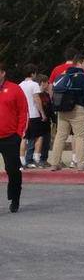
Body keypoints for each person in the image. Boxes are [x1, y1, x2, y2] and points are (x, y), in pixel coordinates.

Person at [50, 54, 84, 171]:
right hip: (78, 110)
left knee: (60, 136)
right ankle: (81, 164)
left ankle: (55, 163)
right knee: (80, 137)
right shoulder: (83, 76)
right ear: (79, 63)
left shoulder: (63, 75)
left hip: (62, 110)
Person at [0, 62, 27, 212]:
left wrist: (19, 134)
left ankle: (15, 198)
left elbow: (23, 112)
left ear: (3, 73)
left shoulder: (15, 89)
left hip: (10, 137)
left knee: (13, 170)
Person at [19, 64, 44, 169]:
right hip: (34, 114)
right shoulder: (34, 85)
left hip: (24, 115)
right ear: (33, 73)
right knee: (39, 136)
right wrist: (42, 112)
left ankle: (22, 160)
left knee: (24, 138)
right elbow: (37, 99)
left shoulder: (19, 85)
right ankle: (36, 158)